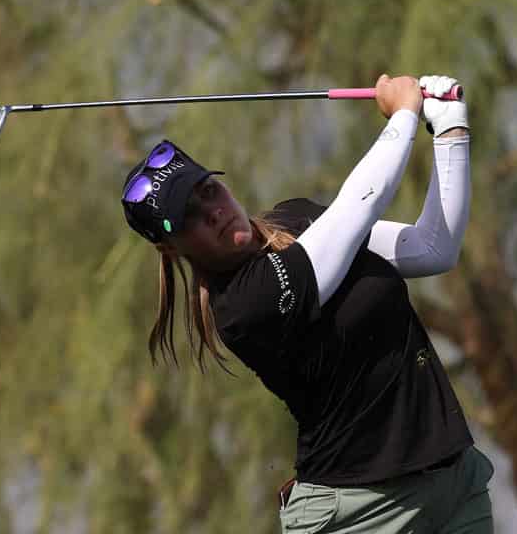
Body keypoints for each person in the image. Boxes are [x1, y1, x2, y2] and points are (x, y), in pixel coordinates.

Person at [120, 73, 492, 532]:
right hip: (360, 513)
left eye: (209, 191)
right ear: (170, 248)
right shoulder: (242, 305)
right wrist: (403, 115)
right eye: (189, 217)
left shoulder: (296, 217)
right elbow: (358, 206)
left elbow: (433, 248)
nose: (212, 212)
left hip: (454, 482)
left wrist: (451, 128)